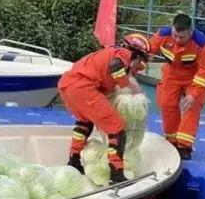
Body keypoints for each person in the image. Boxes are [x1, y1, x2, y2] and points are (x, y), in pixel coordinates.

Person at [59, 33, 150, 184]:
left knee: (84, 122)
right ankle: (117, 174)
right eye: (139, 63)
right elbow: (116, 65)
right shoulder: (124, 53)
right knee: (117, 129)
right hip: (84, 88)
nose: (136, 69)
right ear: (137, 55)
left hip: (66, 86)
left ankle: (74, 161)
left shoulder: (107, 52)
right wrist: (128, 86)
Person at [149, 13, 205, 160]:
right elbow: (147, 49)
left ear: (190, 32)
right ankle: (172, 141)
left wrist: (193, 94)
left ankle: (185, 147)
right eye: (175, 36)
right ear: (172, 29)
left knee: (192, 106)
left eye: (182, 37)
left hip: (194, 77)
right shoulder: (162, 35)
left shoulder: (201, 44)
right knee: (166, 104)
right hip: (171, 75)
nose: (178, 40)